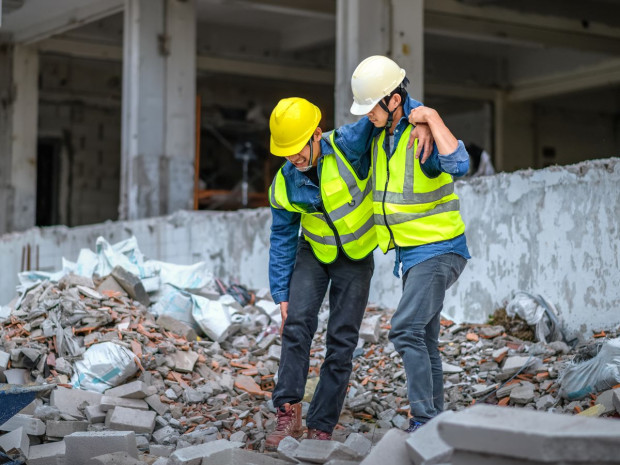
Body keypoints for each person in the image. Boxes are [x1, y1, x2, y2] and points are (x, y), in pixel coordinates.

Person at [265, 97, 432, 449]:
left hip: (356, 257)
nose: (293, 157)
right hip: (313, 251)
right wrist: (281, 293)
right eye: (286, 151)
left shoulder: (347, 145)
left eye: (298, 148)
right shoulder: (284, 183)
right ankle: (287, 410)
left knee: (341, 341)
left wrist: (421, 118)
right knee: (295, 325)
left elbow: (385, 105)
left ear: (316, 134)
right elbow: (282, 238)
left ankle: (321, 423)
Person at [349, 55, 471, 432]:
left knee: (404, 329)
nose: (367, 115)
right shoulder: (382, 132)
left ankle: (423, 420)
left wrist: (430, 119)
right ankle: (435, 423)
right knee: (425, 338)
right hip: (413, 254)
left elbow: (460, 164)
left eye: (372, 107)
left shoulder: (423, 134)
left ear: (394, 101)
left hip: (439, 249)